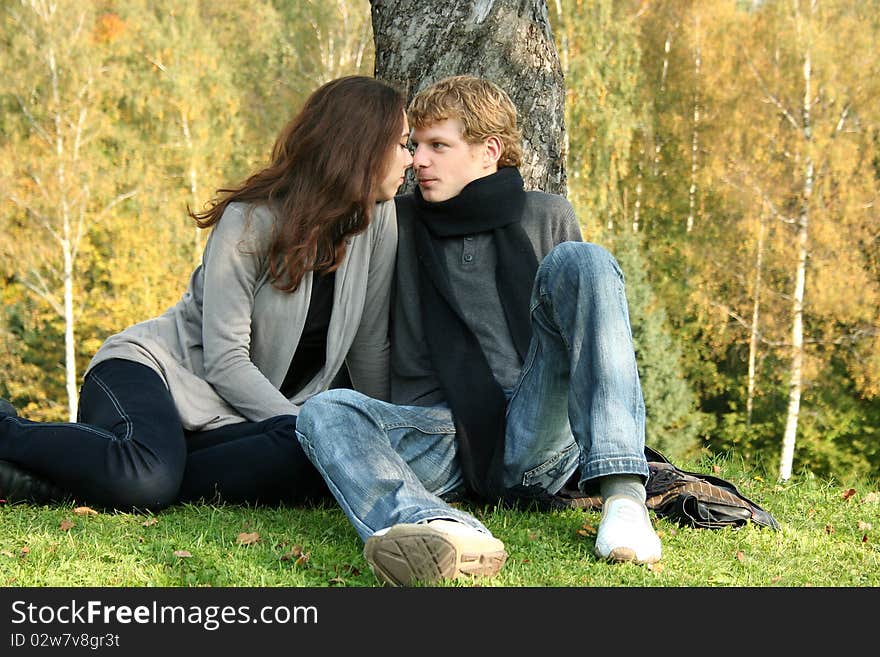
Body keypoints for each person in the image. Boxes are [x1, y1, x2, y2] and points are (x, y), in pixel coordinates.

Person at [295, 75, 662, 587]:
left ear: (489, 151)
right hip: (442, 435)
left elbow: (585, 343)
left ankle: (623, 499)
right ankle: (438, 526)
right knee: (325, 410)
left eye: (438, 146)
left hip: (537, 427)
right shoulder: (393, 222)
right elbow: (370, 338)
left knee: (584, 262)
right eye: (415, 146)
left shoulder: (547, 214)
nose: (419, 160)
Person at [0, 76, 412, 510]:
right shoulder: (249, 221)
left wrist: (380, 434)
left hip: (240, 418)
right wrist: (321, 428)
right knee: (148, 478)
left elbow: (368, 343)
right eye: (402, 143)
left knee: (305, 461)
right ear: (363, 147)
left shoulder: (379, 219)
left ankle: (70, 482)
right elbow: (226, 361)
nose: (410, 158)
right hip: (155, 372)